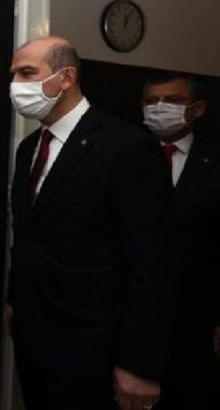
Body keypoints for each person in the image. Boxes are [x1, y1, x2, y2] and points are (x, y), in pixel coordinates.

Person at [3, 37, 178, 410]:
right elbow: (28, 236)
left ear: (66, 78)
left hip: (93, 351)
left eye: (27, 73)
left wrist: (139, 364)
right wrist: (15, 300)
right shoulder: (29, 147)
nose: (16, 85)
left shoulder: (126, 147)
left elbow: (152, 265)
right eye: (14, 75)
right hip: (35, 341)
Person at [141, 71, 220, 409]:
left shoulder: (214, 161)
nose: (160, 108)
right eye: (152, 101)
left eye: (172, 100)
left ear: (198, 108)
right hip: (133, 320)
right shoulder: (125, 155)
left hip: (196, 318)